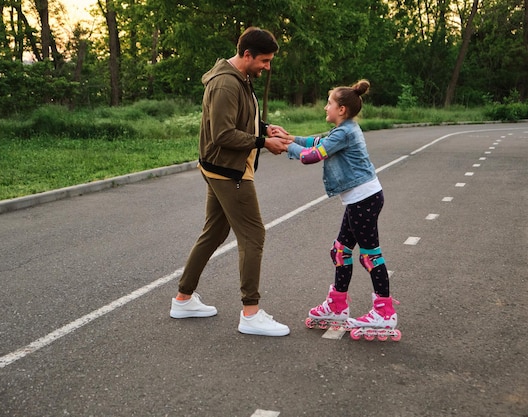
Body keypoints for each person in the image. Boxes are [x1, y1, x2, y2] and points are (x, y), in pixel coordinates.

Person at [170, 27, 292, 337]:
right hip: (228, 170)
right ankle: (251, 313)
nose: (267, 67)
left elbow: (237, 118)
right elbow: (222, 134)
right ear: (247, 55)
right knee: (253, 235)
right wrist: (262, 142)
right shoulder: (226, 83)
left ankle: (183, 298)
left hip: (220, 167)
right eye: (264, 60)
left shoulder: (239, 78)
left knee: (214, 232)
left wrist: (263, 126)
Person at [276, 79, 398, 332]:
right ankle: (338, 306)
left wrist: (287, 146)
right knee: (341, 251)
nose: (325, 107)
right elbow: (317, 142)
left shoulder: (345, 132)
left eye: (329, 103)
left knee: (370, 255)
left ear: (341, 109)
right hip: (360, 199)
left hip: (364, 198)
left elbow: (312, 156)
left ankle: (384, 313)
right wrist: (288, 136)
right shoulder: (343, 130)